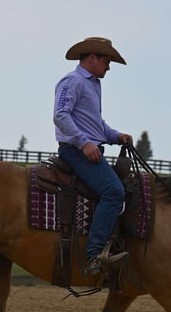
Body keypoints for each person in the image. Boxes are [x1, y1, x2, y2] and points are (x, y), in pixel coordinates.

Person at [53, 36, 133, 281]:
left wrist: (115, 135)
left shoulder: (93, 84)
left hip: (87, 148)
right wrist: (84, 143)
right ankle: (95, 254)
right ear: (91, 58)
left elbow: (95, 124)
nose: (108, 67)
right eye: (106, 61)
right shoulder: (73, 81)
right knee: (114, 192)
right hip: (75, 150)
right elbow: (61, 115)